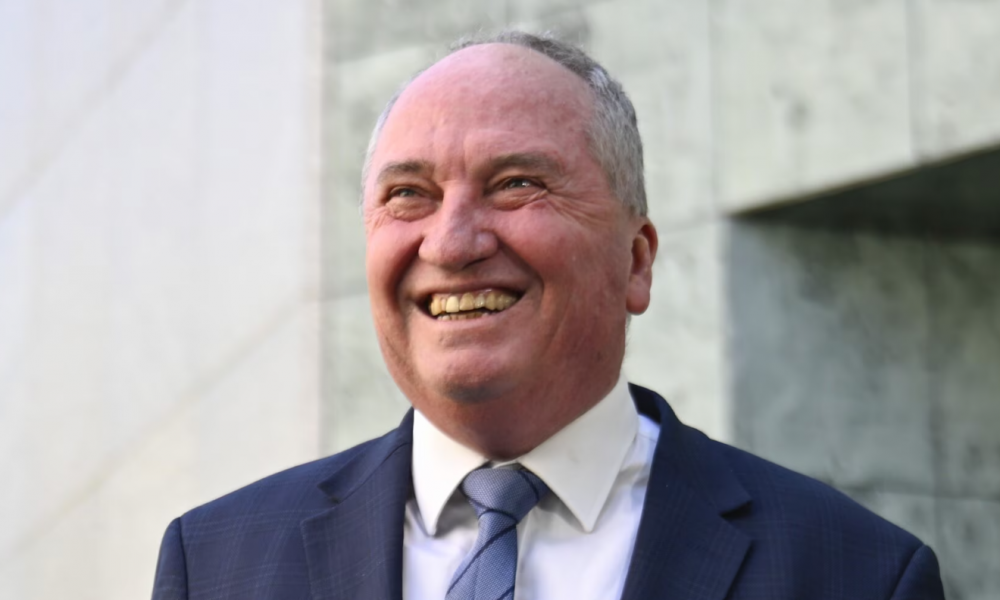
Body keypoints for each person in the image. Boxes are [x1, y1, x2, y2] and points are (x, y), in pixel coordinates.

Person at [152, 31, 945, 600]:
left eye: (516, 184)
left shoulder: (856, 574)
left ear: (636, 261)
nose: (451, 242)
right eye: (408, 195)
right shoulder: (217, 566)